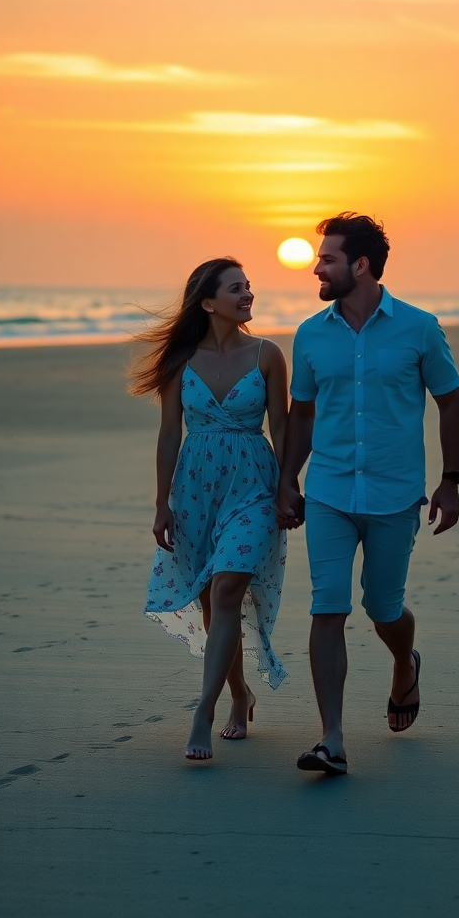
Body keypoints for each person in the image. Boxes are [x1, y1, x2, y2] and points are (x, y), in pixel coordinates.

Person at [277, 213, 459, 776]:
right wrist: (288, 479)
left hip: (394, 493)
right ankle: (331, 737)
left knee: (383, 607)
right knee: (327, 605)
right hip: (330, 490)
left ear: (360, 265)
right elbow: (303, 412)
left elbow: (450, 402)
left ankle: (404, 662)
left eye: (328, 258)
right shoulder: (311, 333)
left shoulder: (419, 328)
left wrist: (450, 481)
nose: (318, 266)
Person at [130, 258, 289, 761]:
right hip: (196, 487)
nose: (248, 295)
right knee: (211, 601)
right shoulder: (180, 361)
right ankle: (241, 695)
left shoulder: (268, 355)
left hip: (253, 485)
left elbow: (282, 429)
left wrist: (289, 488)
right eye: (236, 288)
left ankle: (204, 709)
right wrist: (161, 505)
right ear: (207, 301)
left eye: (248, 287)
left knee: (226, 588)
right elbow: (168, 435)